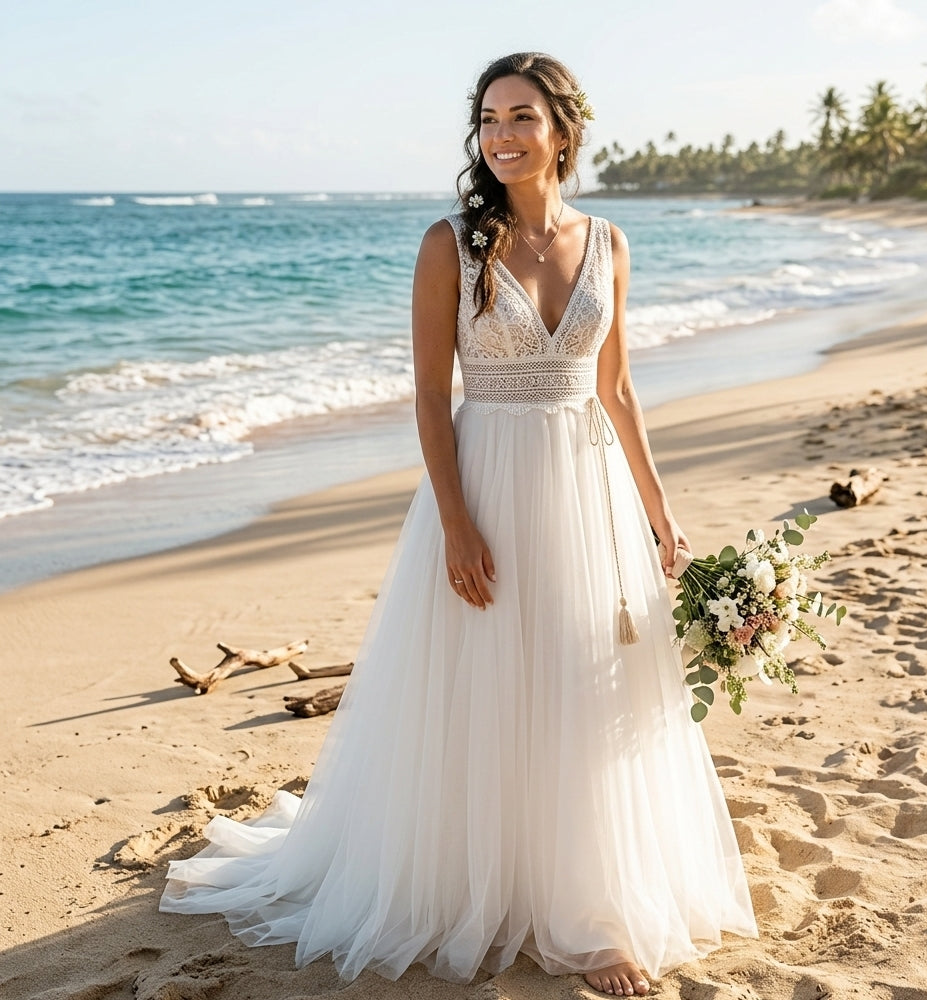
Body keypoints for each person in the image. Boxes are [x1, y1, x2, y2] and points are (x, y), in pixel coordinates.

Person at [160, 51, 757, 998]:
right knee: (488, 683)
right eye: (488, 119)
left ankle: (591, 906)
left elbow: (618, 389)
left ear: (562, 129)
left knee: (583, 684)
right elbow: (431, 398)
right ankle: (480, 882)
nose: (502, 136)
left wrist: (661, 513)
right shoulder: (452, 244)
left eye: (522, 117)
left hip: (588, 487)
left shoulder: (609, 241)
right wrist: (455, 522)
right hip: (487, 481)